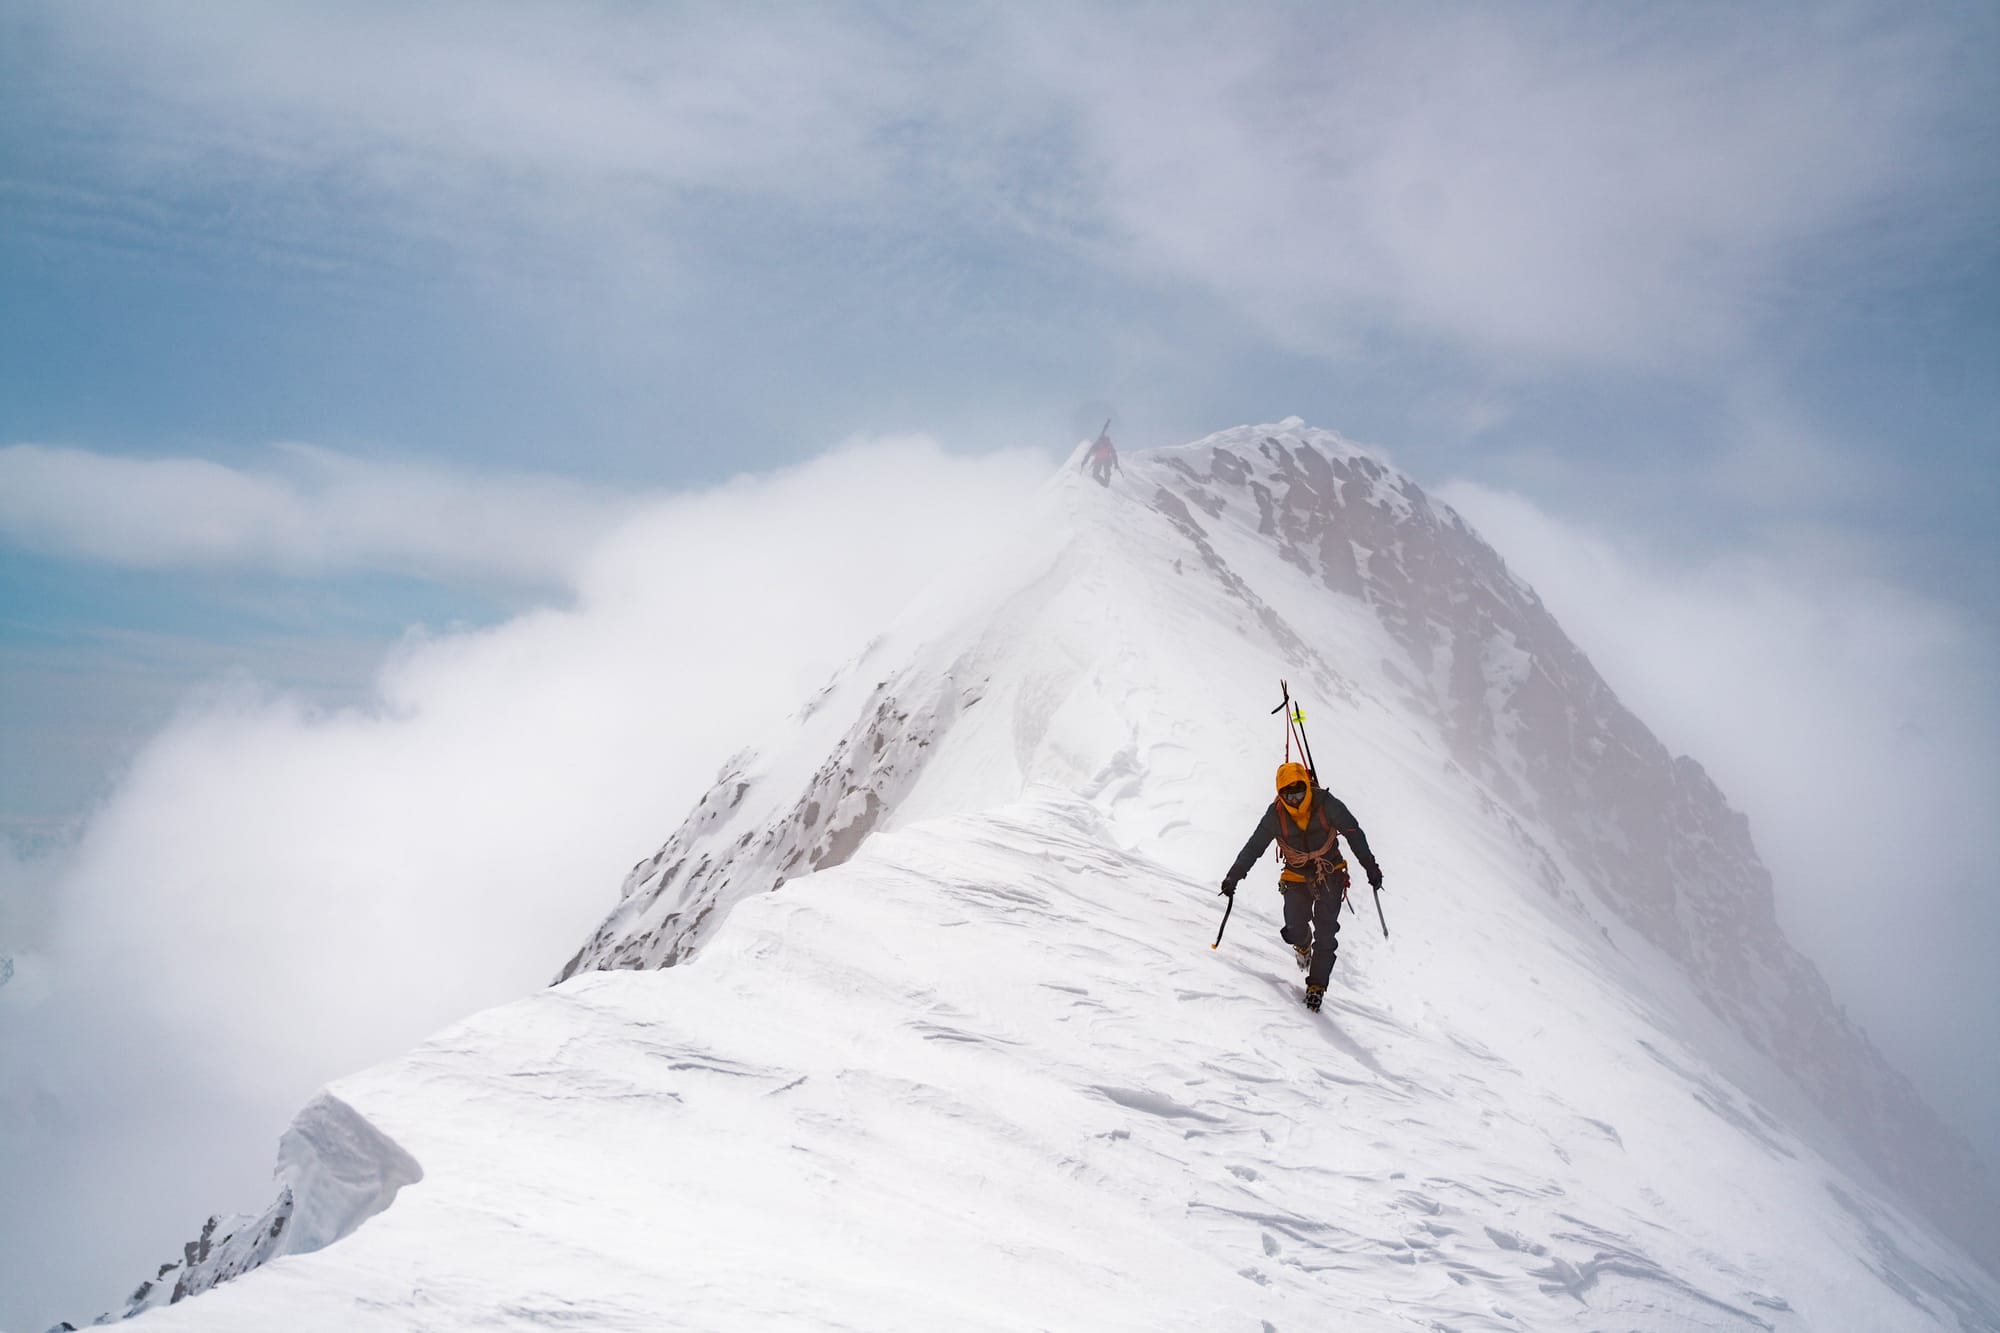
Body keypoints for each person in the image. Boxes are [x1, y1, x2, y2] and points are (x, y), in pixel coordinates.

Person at [1219, 760, 1383, 1012]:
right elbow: (1254, 847)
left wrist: (1370, 866)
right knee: (1294, 928)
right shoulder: (1276, 815)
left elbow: (1353, 832)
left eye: (1299, 792)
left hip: (1330, 872)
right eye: (1288, 794)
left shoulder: (1327, 804)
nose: (1294, 799)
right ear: (1279, 793)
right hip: (1295, 875)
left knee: (1326, 932)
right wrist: (1233, 876)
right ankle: (1302, 943)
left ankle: (1317, 987)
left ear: (1307, 786)